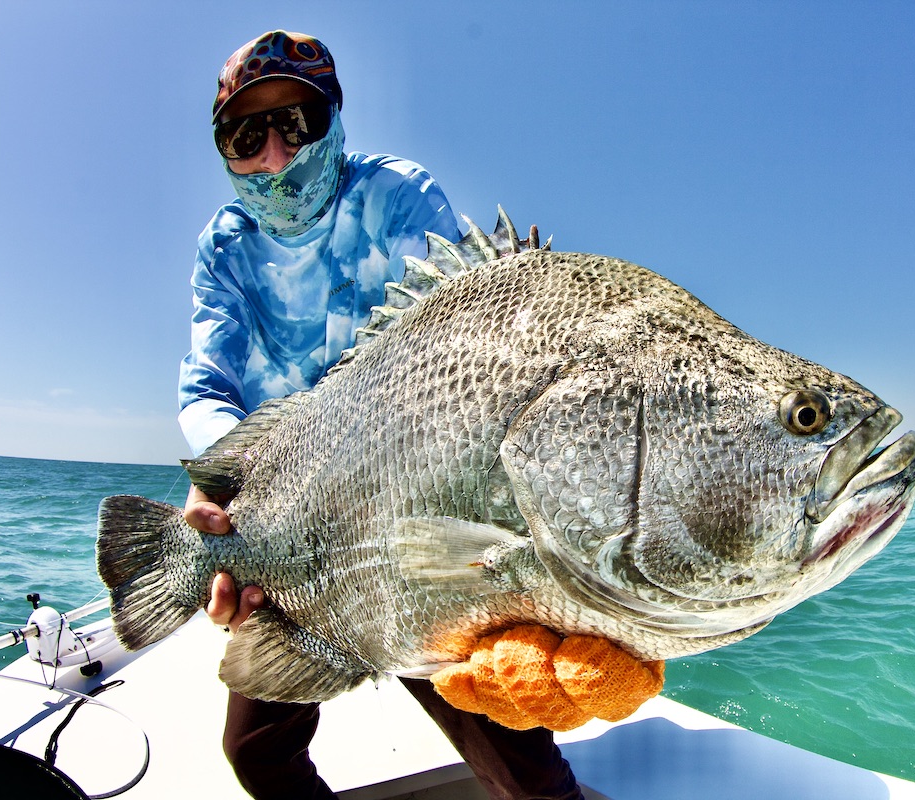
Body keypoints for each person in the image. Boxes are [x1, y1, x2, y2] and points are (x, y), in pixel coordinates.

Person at [177, 31, 650, 800]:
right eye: (245, 134)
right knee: (254, 751)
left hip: (413, 508)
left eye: (295, 124)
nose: (273, 154)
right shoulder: (222, 249)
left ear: (332, 122)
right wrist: (227, 486)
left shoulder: (395, 194)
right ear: (224, 147)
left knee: (519, 754)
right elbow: (207, 382)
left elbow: (474, 329)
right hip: (286, 503)